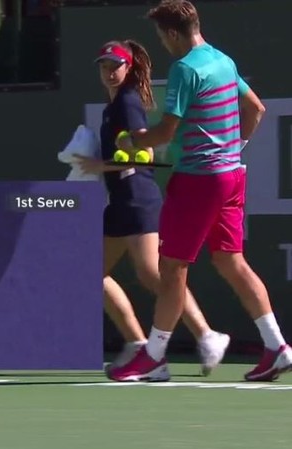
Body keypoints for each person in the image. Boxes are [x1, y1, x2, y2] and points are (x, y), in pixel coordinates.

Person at [109, 0, 292, 382]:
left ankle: (154, 357)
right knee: (230, 261)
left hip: (199, 180)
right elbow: (256, 109)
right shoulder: (223, 61)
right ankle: (276, 346)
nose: (163, 44)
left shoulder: (185, 69)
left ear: (172, 33)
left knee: (172, 268)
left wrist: (131, 140)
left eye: (162, 37)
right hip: (231, 176)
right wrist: (232, 149)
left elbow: (165, 132)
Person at [73, 39, 229, 376]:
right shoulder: (112, 107)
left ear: (128, 68)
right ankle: (138, 345)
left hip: (138, 199)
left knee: (153, 274)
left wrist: (100, 165)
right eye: (104, 66)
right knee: (89, 272)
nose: (109, 72)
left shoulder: (128, 102)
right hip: (119, 202)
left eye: (116, 66)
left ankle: (206, 335)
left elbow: (142, 151)